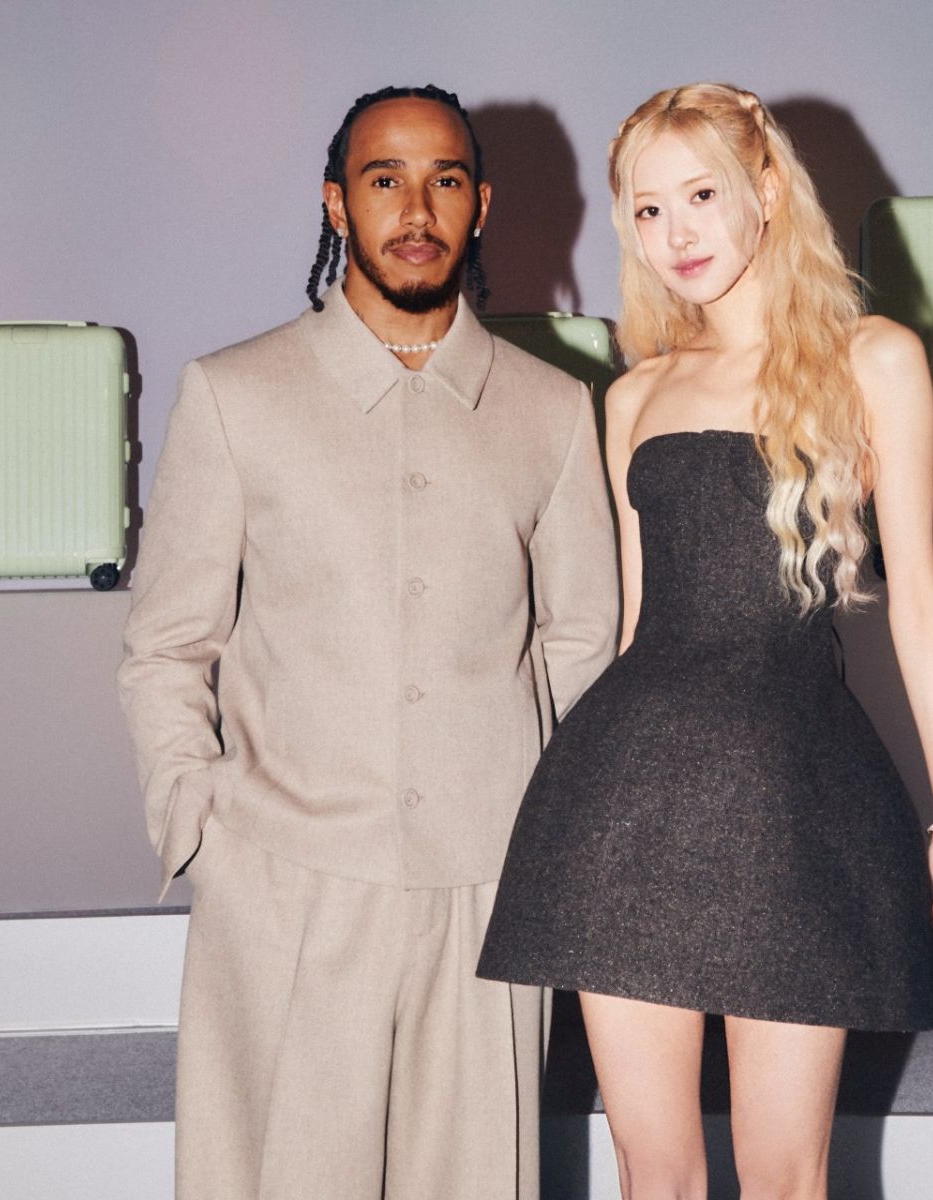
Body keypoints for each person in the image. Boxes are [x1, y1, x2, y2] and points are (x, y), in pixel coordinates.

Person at [477, 83, 933, 1199]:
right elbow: (635, 626)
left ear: (766, 190)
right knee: (652, 1172)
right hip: (626, 806)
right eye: (647, 211)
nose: (676, 234)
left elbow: (915, 601)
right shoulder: (635, 395)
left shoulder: (874, 359)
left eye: (701, 196)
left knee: (786, 1176)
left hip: (794, 804)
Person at [118, 84, 619, 1199]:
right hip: (285, 879)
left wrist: (527, 813)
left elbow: (582, 639)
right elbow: (168, 644)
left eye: (445, 180)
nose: (416, 210)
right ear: (337, 204)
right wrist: (199, 821)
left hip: (486, 889)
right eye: (384, 179)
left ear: (481, 205)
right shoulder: (235, 394)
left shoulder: (550, 408)